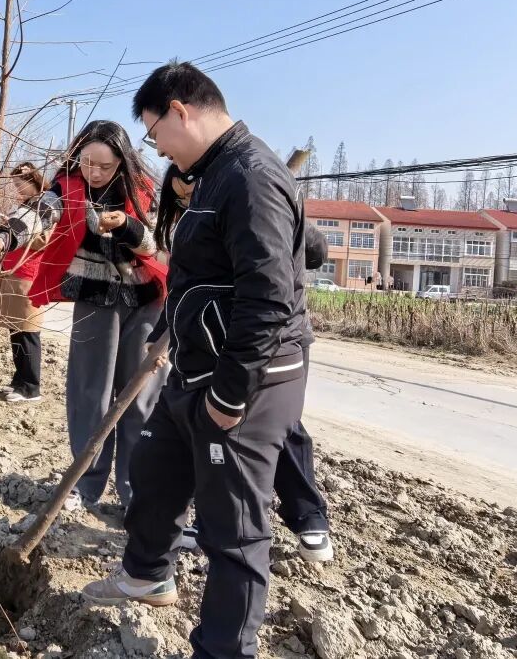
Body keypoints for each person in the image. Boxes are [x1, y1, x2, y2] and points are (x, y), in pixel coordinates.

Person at [82, 62, 311, 659]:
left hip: (247, 380)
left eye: (155, 131)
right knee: (155, 473)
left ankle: (224, 648)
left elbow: (267, 299)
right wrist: (170, 334)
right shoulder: (211, 175)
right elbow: (200, 276)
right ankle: (146, 575)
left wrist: (231, 396)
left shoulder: (251, 178)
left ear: (180, 111)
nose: (156, 147)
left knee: (230, 527)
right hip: (197, 367)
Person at [0, 121, 168, 511]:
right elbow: (37, 213)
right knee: (89, 392)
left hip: (146, 300)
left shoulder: (143, 189)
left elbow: (156, 245)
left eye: (104, 166)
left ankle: (138, 492)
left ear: (122, 161)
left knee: (140, 396)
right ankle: (86, 484)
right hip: (94, 298)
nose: (94, 173)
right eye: (87, 163)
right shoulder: (66, 188)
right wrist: (3, 238)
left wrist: (127, 226)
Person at [154, 164, 333, 563]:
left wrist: (279, 217)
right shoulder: (190, 227)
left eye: (192, 192)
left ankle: (309, 517)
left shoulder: (253, 199)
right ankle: (213, 522)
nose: (188, 202)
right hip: (214, 344)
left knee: (281, 427)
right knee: (217, 432)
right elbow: (183, 291)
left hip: (278, 338)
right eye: (180, 199)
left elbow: (316, 253)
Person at [0, 162, 49, 403]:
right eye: (14, 184)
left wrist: (20, 235)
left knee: (28, 331)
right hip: (13, 273)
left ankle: (31, 387)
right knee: (15, 330)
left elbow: (45, 239)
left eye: (19, 183)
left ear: (34, 180)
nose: (17, 188)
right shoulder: (24, 206)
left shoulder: (45, 206)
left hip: (28, 275)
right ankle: (20, 380)